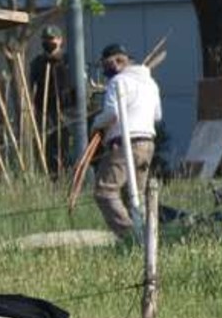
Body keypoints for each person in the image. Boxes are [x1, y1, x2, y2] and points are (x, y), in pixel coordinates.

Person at [90, 43, 162, 239]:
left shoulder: (117, 82)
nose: (107, 70)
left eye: (107, 65)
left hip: (125, 143)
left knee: (104, 191)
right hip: (148, 142)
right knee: (135, 197)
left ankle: (131, 237)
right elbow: (157, 116)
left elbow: (112, 114)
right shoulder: (151, 83)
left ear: (117, 62)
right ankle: (147, 240)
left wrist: (96, 124)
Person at [28, 25, 78, 174]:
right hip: (46, 113)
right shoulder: (37, 63)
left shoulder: (70, 61)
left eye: (51, 39)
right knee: (49, 149)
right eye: (45, 39)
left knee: (68, 149)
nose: (48, 42)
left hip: (68, 112)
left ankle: (70, 178)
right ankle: (53, 178)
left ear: (60, 40)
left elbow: (79, 87)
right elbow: (32, 88)